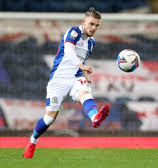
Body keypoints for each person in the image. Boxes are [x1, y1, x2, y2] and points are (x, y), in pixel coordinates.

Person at [23, 7, 109, 158]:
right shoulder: (73, 32)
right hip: (59, 79)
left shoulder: (91, 42)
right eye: (91, 24)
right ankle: (33, 141)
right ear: (84, 21)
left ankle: (95, 117)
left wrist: (84, 73)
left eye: (97, 25)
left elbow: (81, 59)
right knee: (49, 118)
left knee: (85, 93)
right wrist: (81, 66)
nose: (94, 28)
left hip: (76, 77)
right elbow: (69, 51)